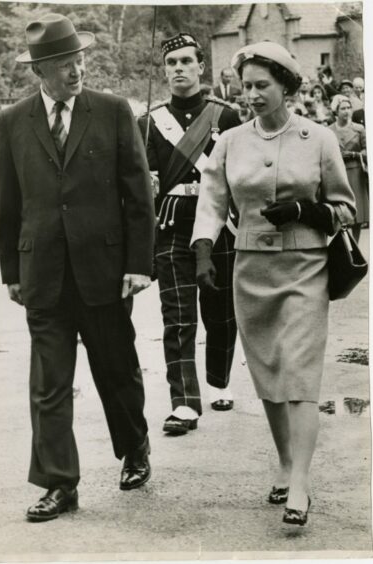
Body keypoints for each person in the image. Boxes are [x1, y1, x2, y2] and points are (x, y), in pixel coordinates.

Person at [0, 13, 155, 522]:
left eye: (79, 59)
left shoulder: (110, 111)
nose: (75, 70)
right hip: (42, 274)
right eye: (63, 63)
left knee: (117, 372)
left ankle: (135, 447)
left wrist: (138, 264)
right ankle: (60, 483)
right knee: (49, 385)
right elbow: (9, 203)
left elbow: (137, 194)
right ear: (39, 70)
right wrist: (10, 273)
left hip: (105, 272)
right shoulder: (12, 122)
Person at [191, 41, 355, 526]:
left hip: (305, 266)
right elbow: (213, 201)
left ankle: (300, 484)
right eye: (247, 87)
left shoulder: (318, 138)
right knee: (268, 376)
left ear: (286, 85)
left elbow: (347, 208)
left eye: (263, 86)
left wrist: (308, 210)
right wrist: (203, 249)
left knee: (300, 376)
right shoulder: (231, 141)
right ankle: (285, 463)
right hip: (251, 268)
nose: (253, 95)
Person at [138, 33, 240, 435]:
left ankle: (220, 380)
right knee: (177, 318)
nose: (178, 68)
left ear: (201, 67)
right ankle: (183, 403)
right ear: (165, 71)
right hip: (173, 225)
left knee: (221, 313)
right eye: (171, 63)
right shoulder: (148, 123)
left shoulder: (228, 116)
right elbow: (145, 186)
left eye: (185, 61)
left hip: (219, 226)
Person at [329, 95, 368, 242]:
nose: (347, 111)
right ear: (336, 111)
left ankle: (356, 246)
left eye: (348, 107)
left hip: (355, 172)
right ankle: (343, 246)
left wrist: (353, 154)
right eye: (343, 108)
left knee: (357, 215)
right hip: (337, 173)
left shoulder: (359, 129)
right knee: (340, 211)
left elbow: (367, 151)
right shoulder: (329, 131)